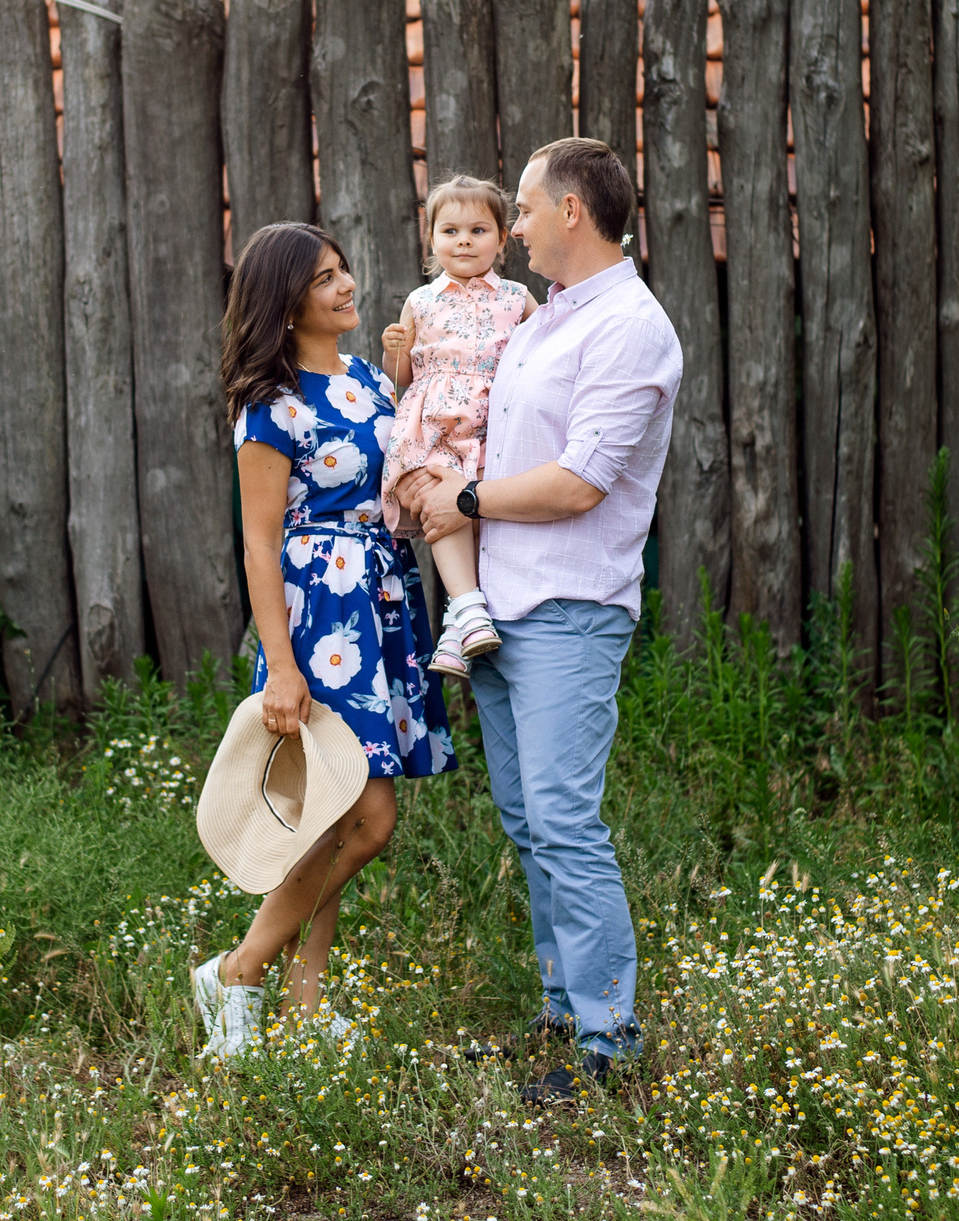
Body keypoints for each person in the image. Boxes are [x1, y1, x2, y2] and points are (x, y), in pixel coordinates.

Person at [411, 138, 679, 1105]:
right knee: (528, 822)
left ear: (572, 210)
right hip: (500, 608)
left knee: (565, 820)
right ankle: (564, 1009)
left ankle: (610, 1042)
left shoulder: (630, 329)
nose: (511, 227)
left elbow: (579, 483)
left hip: (569, 607)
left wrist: (465, 499)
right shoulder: (539, 321)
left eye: (522, 209)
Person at [192, 221, 455, 1060]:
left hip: (380, 598)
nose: (347, 287)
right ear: (287, 300)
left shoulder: (372, 380)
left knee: (332, 811)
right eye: (326, 279)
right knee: (363, 817)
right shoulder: (270, 404)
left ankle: (302, 1000)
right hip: (320, 612)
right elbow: (257, 543)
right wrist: (279, 664)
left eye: (345, 270)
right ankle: (239, 970)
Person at [378, 174, 538, 681]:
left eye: (478, 229)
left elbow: (547, 350)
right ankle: (467, 606)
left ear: (501, 237)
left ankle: (457, 624)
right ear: (432, 239)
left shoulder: (517, 297)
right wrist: (391, 348)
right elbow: (398, 380)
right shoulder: (421, 301)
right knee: (444, 503)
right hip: (437, 429)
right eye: (450, 231)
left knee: (480, 514)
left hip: (495, 424)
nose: (464, 240)